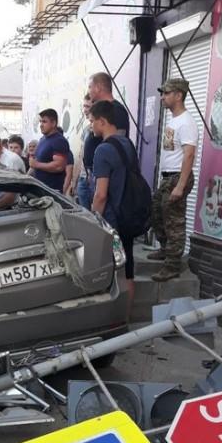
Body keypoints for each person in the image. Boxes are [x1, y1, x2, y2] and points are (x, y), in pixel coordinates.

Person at [88, 99, 138, 315]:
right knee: (127, 273)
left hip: (110, 222)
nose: (91, 126)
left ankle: (111, 320)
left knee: (106, 273)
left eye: (92, 121)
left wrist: (92, 220)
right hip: (128, 216)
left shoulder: (103, 150)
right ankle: (125, 318)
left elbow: (100, 194)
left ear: (101, 121)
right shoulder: (128, 144)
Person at [149, 77, 198, 282]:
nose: (163, 97)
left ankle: (172, 266)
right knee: (156, 212)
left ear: (178, 95)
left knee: (174, 223)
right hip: (168, 176)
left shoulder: (186, 122)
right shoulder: (174, 120)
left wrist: (180, 185)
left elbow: (189, 155)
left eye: (166, 93)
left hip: (178, 177)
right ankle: (164, 249)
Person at [81, 72, 130, 211]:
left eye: (90, 87)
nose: (88, 91)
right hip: (94, 175)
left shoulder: (116, 110)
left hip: (105, 178)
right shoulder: (99, 109)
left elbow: (116, 142)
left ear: (98, 87)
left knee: (103, 222)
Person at [28, 108, 71, 193]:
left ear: (53, 123)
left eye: (44, 122)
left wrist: (37, 165)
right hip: (39, 189)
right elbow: (35, 163)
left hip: (51, 192)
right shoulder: (42, 139)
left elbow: (59, 166)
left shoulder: (59, 141)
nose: (41, 125)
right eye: (40, 122)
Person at [70, 93, 92, 207]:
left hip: (93, 180)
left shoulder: (100, 131)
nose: (85, 110)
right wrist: (75, 181)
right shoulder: (86, 130)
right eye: (84, 106)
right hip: (83, 180)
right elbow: (81, 157)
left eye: (88, 106)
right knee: (85, 218)